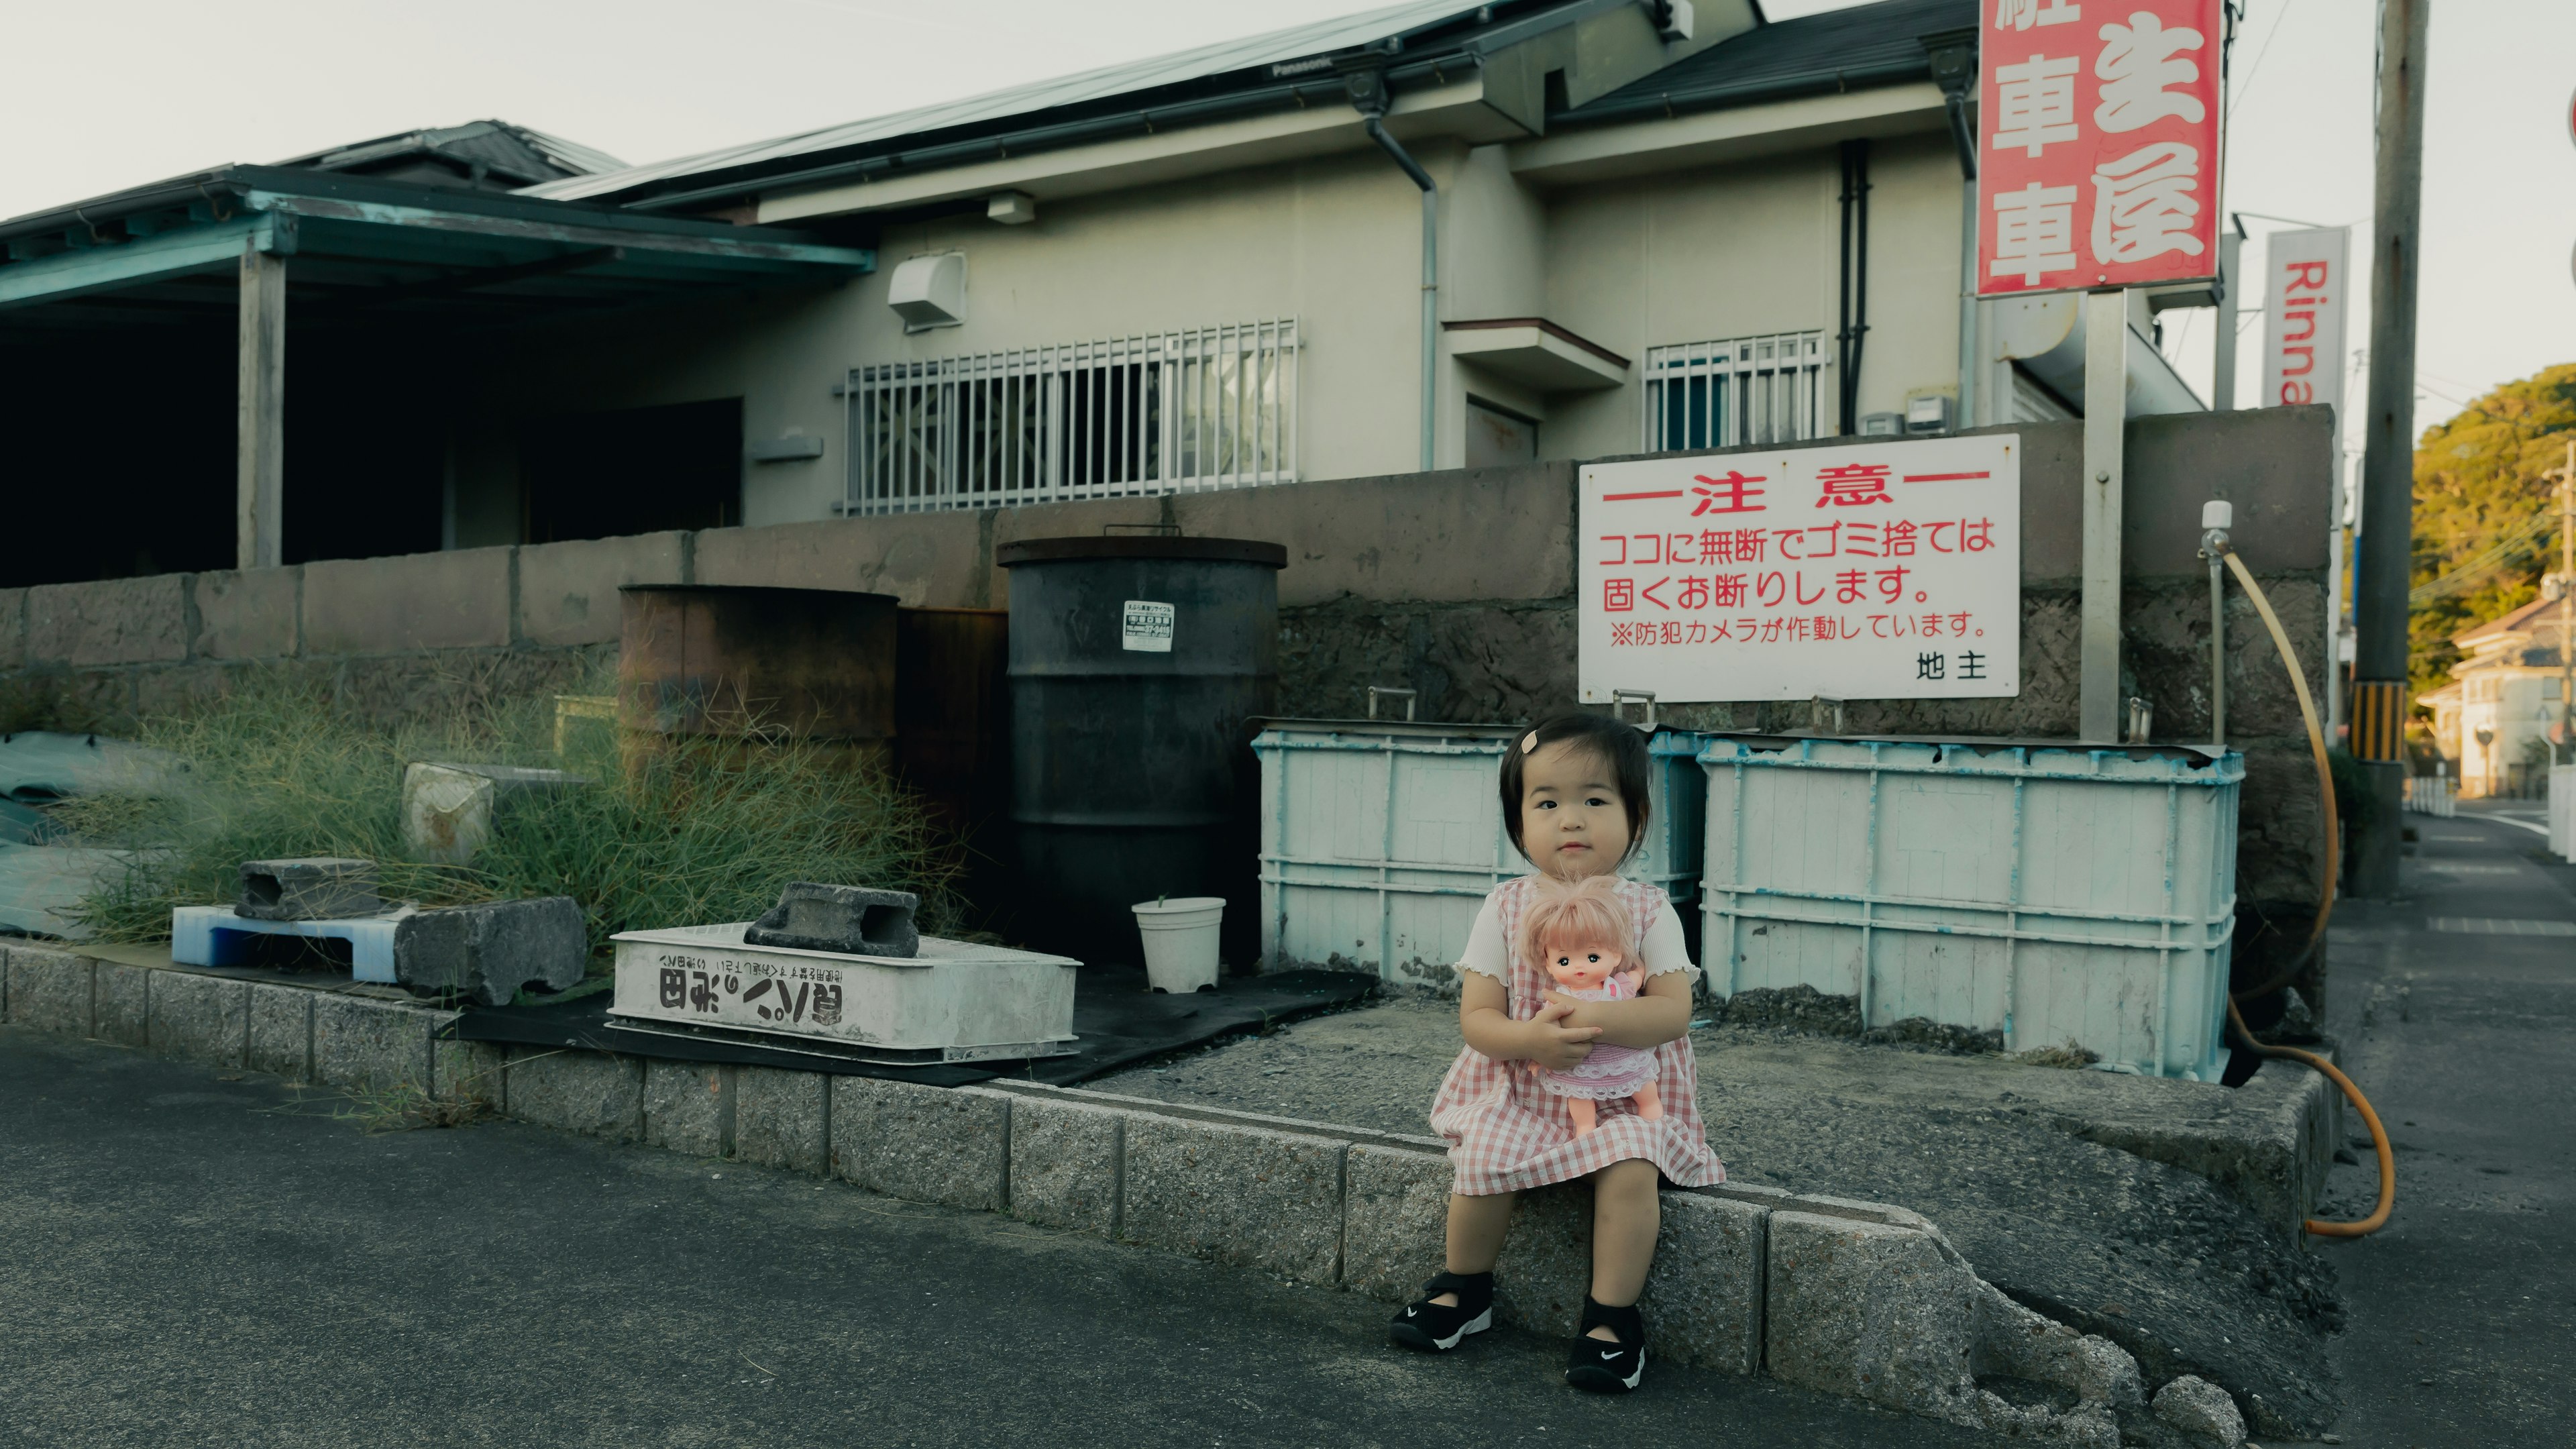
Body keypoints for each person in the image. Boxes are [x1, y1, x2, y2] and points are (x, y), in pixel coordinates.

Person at [1387, 710, 1721, 1393]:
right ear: (1518, 820)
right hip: (1523, 1093)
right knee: (1482, 1155)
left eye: (1595, 801)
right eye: (1547, 803)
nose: (1571, 820)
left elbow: (1674, 1012)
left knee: (1631, 1167)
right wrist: (1531, 1038)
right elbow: (1478, 1019)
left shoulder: (1650, 910)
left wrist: (1599, 1019)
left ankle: (1610, 1319)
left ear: (1635, 815)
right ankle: (1465, 1286)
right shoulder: (1505, 908)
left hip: (1626, 1099)